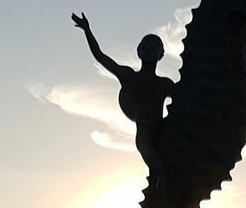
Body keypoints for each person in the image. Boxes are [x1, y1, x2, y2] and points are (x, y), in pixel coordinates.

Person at [71, 12, 174, 196]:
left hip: (166, 134)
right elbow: (101, 57)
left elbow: (187, 99)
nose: (149, 50)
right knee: (162, 174)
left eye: (154, 47)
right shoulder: (129, 77)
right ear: (139, 51)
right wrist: (87, 30)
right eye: (146, 47)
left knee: (171, 172)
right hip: (145, 139)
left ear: (161, 54)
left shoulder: (165, 84)